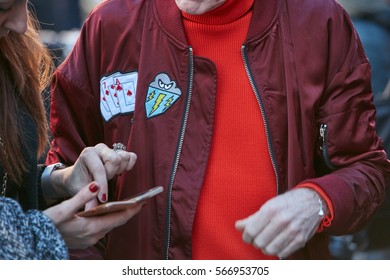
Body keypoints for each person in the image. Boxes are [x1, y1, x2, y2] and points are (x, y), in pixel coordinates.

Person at [46, 0, 390, 260]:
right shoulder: (110, 27)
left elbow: (368, 169)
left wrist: (318, 200)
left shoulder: (318, 21)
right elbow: (61, 186)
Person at [0, 0, 143, 260]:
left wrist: (59, 181)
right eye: (3, 7)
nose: (22, 25)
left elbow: (8, 188)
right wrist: (42, 233)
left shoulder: (10, 49)